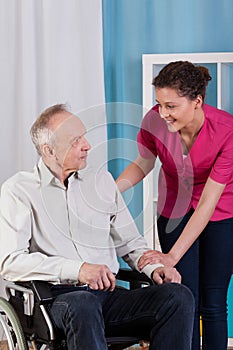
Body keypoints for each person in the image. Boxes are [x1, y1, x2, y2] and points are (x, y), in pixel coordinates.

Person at [0, 104, 194, 350]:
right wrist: (77, 269)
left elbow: (131, 244)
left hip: (108, 296)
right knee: (82, 303)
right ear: (48, 150)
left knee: (178, 296)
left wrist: (155, 268)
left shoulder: (101, 181)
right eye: (75, 140)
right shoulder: (19, 190)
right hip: (55, 300)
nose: (87, 145)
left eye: (84, 136)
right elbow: (10, 261)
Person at [116, 61, 233, 350]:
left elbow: (207, 202)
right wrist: (111, 191)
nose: (163, 113)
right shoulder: (155, 121)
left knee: (213, 300)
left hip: (221, 211)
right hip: (174, 209)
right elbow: (143, 163)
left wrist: (171, 255)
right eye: (159, 104)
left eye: (171, 106)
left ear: (197, 101)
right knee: (183, 297)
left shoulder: (227, 131)